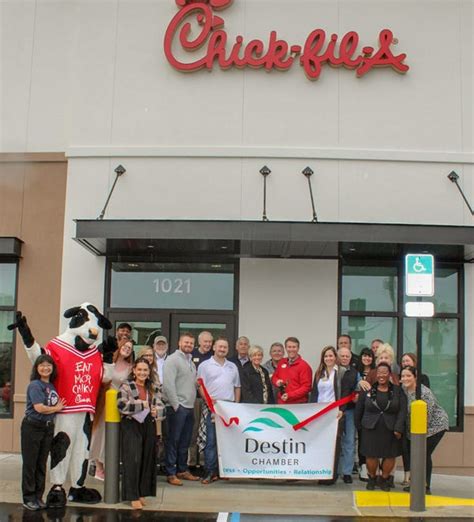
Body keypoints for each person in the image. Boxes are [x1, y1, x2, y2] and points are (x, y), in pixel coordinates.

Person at [117, 357, 164, 510]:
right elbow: (121, 405)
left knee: (146, 459)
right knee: (133, 459)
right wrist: (141, 404)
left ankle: (142, 492)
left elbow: (162, 406)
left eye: (145, 370)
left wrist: (158, 411)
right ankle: (132, 495)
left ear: (149, 372)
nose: (142, 372)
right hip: (131, 424)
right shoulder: (126, 386)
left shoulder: (153, 387)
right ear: (134, 371)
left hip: (148, 424)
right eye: (140, 370)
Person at [21, 355, 65, 511]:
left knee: (41, 464)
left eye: (49, 365)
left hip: (47, 428)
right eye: (42, 365)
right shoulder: (35, 385)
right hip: (33, 427)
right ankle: (28, 498)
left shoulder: (51, 386)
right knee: (30, 464)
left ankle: (38, 497)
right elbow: (39, 407)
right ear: (37, 368)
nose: (45, 368)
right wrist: (56, 408)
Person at [355, 362, 407, 491]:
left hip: (391, 428)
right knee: (371, 455)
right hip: (370, 428)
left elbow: (402, 410)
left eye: (384, 373)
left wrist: (399, 428)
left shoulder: (397, 390)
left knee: (389, 455)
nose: (381, 376)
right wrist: (359, 427)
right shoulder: (368, 390)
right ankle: (372, 478)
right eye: (379, 373)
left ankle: (384, 479)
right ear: (375, 375)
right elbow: (359, 410)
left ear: (389, 375)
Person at [197, 338, 241, 484]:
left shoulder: (232, 366)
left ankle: (224, 471)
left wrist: (236, 405)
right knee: (211, 440)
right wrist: (209, 401)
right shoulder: (204, 365)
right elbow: (200, 385)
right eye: (220, 346)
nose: (222, 349)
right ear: (214, 347)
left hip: (228, 407)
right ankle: (210, 471)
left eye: (225, 347)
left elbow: (237, 387)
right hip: (212, 406)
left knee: (226, 441)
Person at [90, 338, 134, 480]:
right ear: (119, 346)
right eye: (125, 346)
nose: (127, 349)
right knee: (100, 433)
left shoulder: (130, 367)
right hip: (104, 402)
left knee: (113, 436)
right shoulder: (108, 362)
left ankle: (109, 465)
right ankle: (98, 466)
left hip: (119, 404)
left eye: (130, 348)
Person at [400, 366, 448, 494]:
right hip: (415, 430)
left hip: (434, 427)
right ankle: (417, 483)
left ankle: (425, 486)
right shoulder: (403, 390)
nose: (405, 378)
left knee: (423, 454)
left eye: (408, 376)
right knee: (416, 455)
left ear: (415, 377)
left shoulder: (423, 393)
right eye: (403, 376)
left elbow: (428, 415)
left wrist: (418, 434)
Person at [162, 332, 200, 486]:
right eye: (186, 342)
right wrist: (176, 405)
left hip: (189, 407)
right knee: (173, 440)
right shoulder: (172, 360)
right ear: (179, 343)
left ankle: (182, 470)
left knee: (185, 441)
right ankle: (171, 472)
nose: (189, 345)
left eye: (191, 343)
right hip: (177, 407)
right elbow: (168, 385)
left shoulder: (191, 362)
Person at [310, 346, 345, 485]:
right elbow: (314, 393)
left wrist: (341, 408)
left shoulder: (341, 372)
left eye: (331, 356)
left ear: (335, 357)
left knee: (334, 444)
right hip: (320, 413)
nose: (328, 358)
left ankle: (331, 475)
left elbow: (346, 392)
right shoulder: (319, 373)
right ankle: (321, 473)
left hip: (335, 412)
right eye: (326, 356)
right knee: (321, 443)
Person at [189, 331, 214, 471]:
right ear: (199, 342)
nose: (208, 344)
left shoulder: (213, 357)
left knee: (205, 431)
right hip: (194, 399)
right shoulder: (191, 355)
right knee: (193, 431)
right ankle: (192, 462)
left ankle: (204, 463)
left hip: (209, 399)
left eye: (210, 342)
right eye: (205, 342)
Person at [337, 346, 360, 484]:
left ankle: (347, 472)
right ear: (338, 357)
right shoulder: (332, 370)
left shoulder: (355, 373)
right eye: (342, 356)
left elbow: (358, 389)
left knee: (349, 441)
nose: (345, 358)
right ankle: (336, 470)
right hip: (333, 411)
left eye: (347, 356)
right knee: (335, 441)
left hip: (350, 411)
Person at [272, 337, 312, 404]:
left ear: (298, 348)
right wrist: (277, 381)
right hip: (282, 403)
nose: (291, 349)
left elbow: (306, 387)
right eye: (289, 347)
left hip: (297, 404)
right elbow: (274, 377)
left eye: (294, 347)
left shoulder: (304, 366)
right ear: (286, 348)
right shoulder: (282, 362)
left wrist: (290, 395)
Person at [355, 347, 375, 481]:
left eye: (369, 356)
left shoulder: (375, 372)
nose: (366, 358)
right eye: (364, 356)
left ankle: (371, 466)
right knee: (360, 437)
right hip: (357, 408)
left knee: (370, 437)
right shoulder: (356, 371)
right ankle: (362, 465)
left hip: (371, 409)